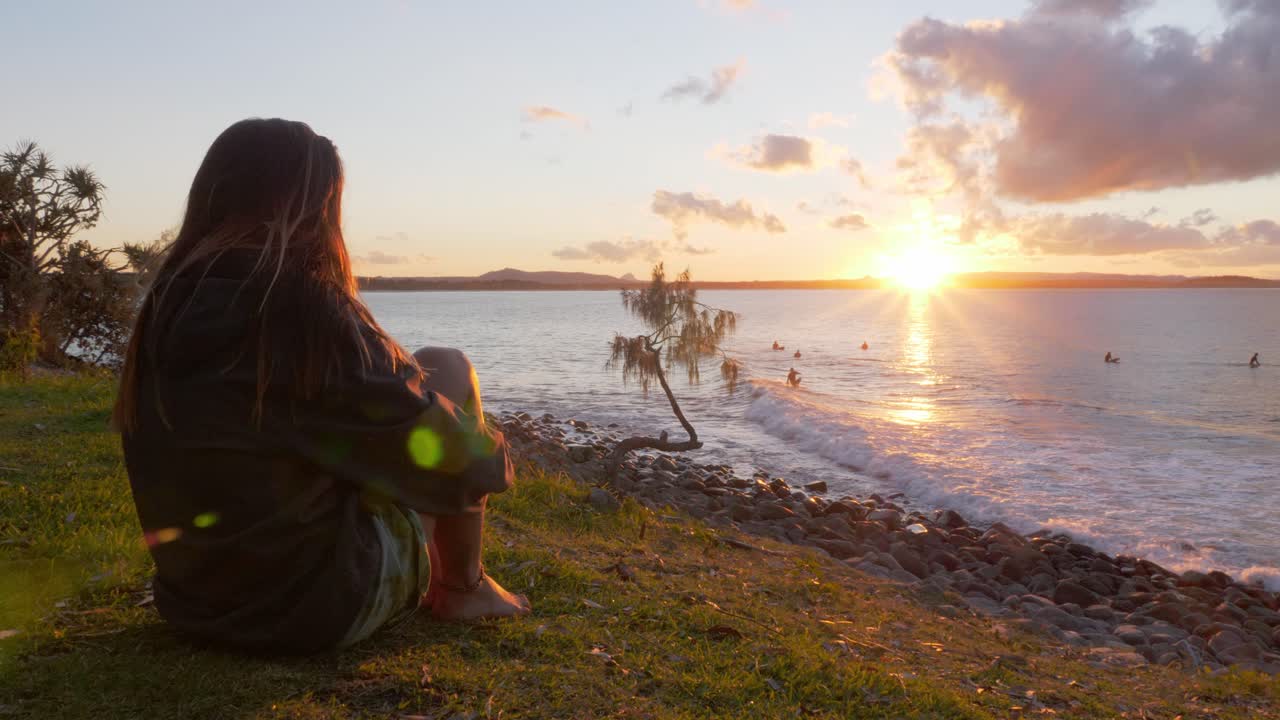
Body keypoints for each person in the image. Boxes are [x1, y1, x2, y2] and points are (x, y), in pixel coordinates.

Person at [112, 119, 529, 654]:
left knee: (417, 381)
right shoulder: (302, 313)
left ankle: (452, 583)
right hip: (312, 609)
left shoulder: (166, 306)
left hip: (196, 606)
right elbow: (467, 464)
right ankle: (462, 589)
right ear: (317, 206)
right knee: (446, 366)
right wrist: (494, 453)